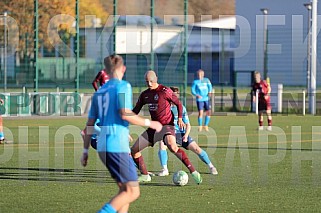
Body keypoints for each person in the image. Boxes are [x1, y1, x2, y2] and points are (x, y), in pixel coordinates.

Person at [81, 55, 162, 213]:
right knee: (133, 192)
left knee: (124, 190)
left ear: (106, 71)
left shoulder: (99, 92)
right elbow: (125, 113)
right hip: (116, 146)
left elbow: (89, 125)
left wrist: (85, 151)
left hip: (102, 148)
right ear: (123, 69)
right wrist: (150, 123)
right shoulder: (123, 86)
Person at [131, 71, 203, 184]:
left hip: (167, 125)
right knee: (134, 150)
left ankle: (193, 171)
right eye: (147, 81)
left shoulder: (165, 91)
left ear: (156, 79)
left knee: (172, 146)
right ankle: (145, 175)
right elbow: (135, 111)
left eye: (151, 81)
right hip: (154, 127)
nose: (149, 84)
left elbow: (178, 104)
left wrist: (179, 118)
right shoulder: (144, 95)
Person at [157, 87, 218, 176]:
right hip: (168, 132)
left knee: (197, 149)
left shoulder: (181, 108)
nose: (174, 96)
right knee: (162, 144)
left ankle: (211, 166)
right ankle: (164, 169)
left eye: (176, 95)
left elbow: (188, 125)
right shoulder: (163, 107)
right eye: (172, 94)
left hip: (180, 134)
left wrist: (186, 135)